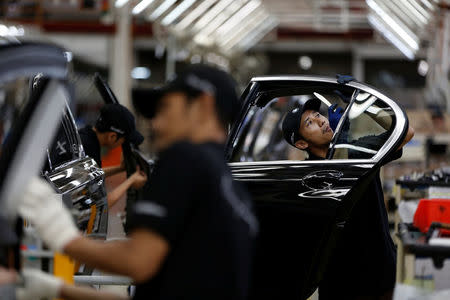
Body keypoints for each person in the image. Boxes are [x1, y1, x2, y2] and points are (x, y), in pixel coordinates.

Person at [17, 64, 257, 300]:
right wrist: (58, 290)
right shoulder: (230, 186)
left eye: (164, 108)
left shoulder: (185, 159)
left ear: (203, 105)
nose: (156, 124)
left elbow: (137, 261)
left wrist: (63, 236)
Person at [282, 97, 414, 300]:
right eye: (310, 123)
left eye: (318, 115)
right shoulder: (307, 177)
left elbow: (405, 133)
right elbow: (339, 178)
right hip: (340, 282)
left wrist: (367, 103)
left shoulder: (360, 150)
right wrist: (341, 139)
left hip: (380, 272)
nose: (321, 120)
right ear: (301, 143)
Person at [78, 103, 147, 207]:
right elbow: (101, 205)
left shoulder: (85, 136)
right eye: (124, 141)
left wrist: (119, 168)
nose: (122, 145)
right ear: (112, 136)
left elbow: (91, 175)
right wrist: (130, 182)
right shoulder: (87, 150)